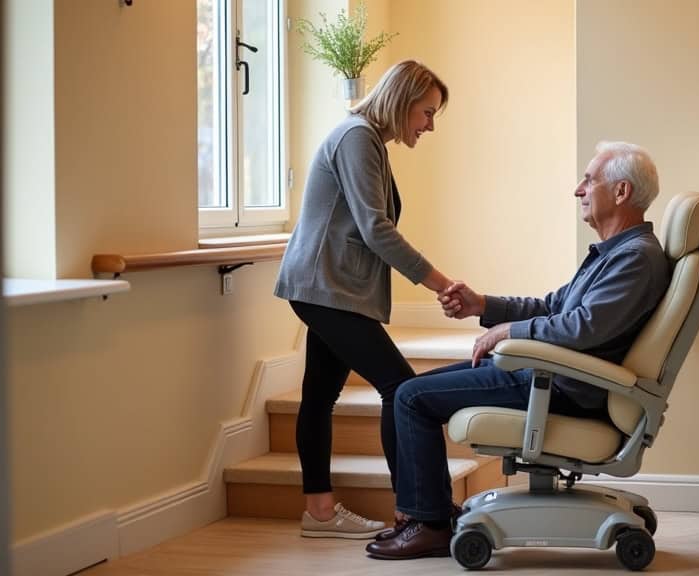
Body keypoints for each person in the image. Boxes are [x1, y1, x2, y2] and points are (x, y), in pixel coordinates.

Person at [365, 141, 672, 559]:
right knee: (412, 390)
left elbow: (583, 328)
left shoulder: (636, 259)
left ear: (620, 192)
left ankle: (431, 524)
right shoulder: (616, 254)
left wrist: (510, 330)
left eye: (589, 180)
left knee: (410, 398)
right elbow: (553, 306)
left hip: (566, 387)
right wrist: (484, 306)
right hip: (555, 376)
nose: (578, 190)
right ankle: (431, 512)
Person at [274, 60, 455, 539]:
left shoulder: (366, 138)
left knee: (320, 395)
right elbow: (377, 229)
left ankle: (319, 513)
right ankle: (413, 510)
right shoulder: (357, 137)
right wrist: (440, 283)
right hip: (325, 287)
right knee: (401, 388)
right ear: (403, 100)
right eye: (427, 112)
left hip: (328, 288)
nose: (430, 125)